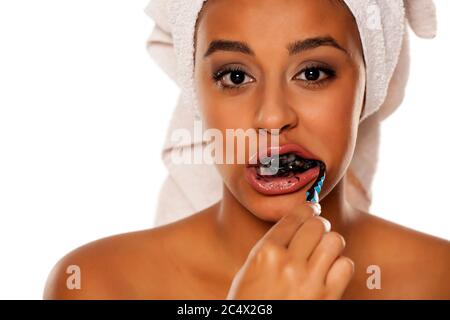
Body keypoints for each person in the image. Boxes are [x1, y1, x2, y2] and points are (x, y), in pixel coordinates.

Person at [43, 0, 450, 299]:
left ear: (369, 87)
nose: (272, 118)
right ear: (196, 92)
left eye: (312, 73)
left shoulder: (438, 281)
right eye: (235, 76)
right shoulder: (98, 284)